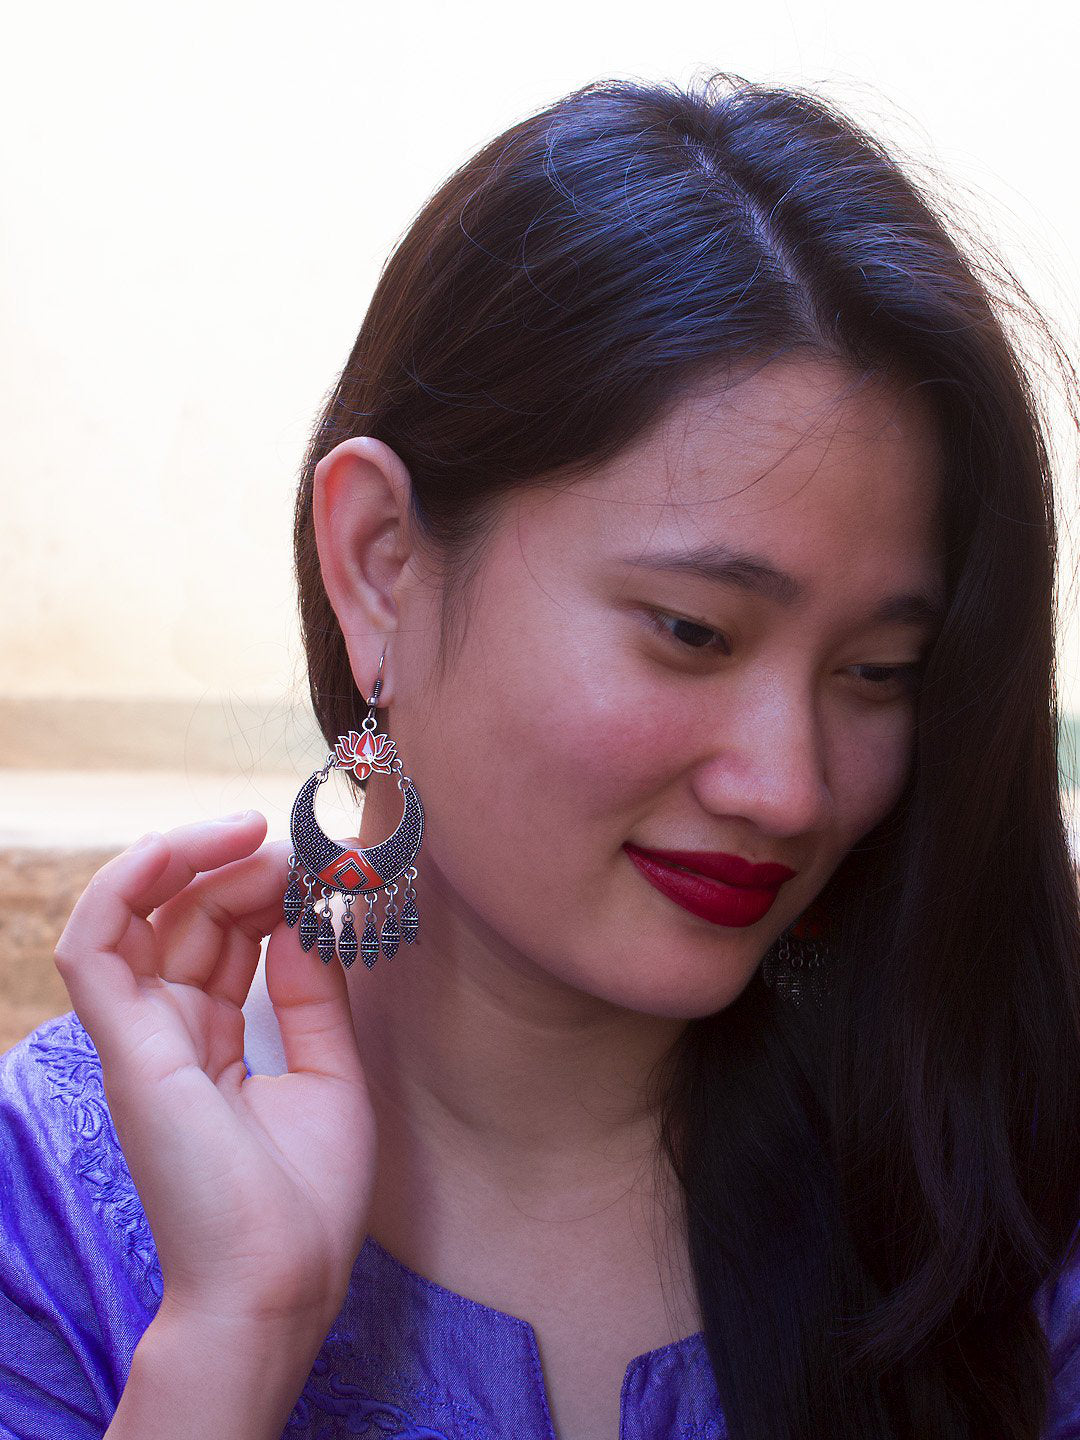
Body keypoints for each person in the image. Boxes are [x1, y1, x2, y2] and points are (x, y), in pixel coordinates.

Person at [2, 70, 1080, 1440]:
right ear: (379, 562)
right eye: (693, 631)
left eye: (880, 675)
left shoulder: (993, 1187)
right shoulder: (54, 1208)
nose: (791, 785)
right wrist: (231, 1340)